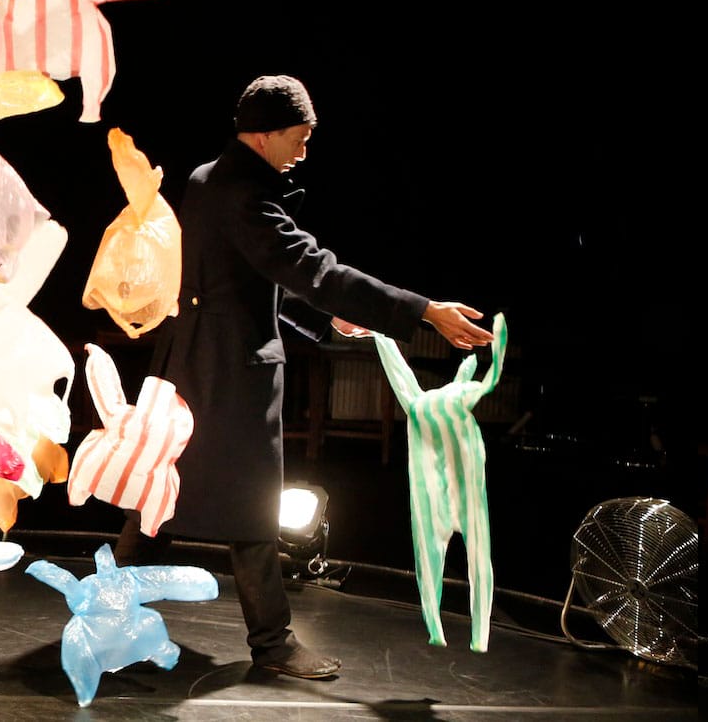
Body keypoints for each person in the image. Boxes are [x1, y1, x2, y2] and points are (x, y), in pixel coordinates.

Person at [118, 74, 494, 679]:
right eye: (299, 135)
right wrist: (423, 311)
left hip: (193, 364)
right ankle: (272, 644)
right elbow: (314, 270)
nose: (304, 149)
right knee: (247, 504)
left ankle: (111, 607)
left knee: (162, 492)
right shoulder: (243, 194)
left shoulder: (206, 180)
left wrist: (325, 321)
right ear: (264, 135)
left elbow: (258, 275)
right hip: (229, 372)